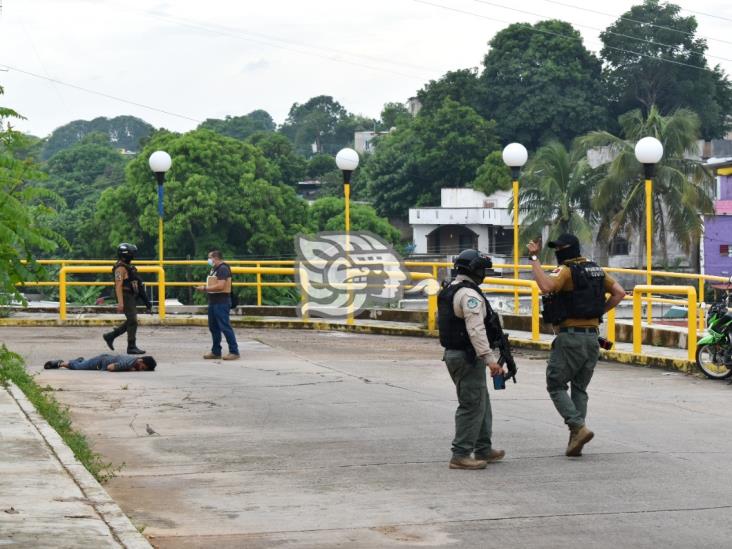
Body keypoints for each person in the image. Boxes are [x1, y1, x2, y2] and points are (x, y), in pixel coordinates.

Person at [527, 233, 625, 457]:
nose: (558, 252)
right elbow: (619, 293)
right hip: (592, 338)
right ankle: (575, 439)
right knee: (579, 388)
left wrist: (534, 259)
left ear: (568, 249)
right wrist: (599, 311)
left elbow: (546, 286)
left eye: (560, 248)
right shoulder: (596, 270)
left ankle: (577, 427)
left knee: (555, 384)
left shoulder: (567, 270)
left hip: (570, 337)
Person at [437, 249, 506, 470]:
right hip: (467, 356)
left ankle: (483, 448)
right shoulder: (470, 295)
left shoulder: (451, 289)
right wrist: (490, 359)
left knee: (481, 401)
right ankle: (460, 454)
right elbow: (476, 330)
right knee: (472, 404)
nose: (484, 274)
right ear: (474, 270)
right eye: (482, 269)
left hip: (459, 354)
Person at [103, 243, 148, 354]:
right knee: (132, 320)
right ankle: (131, 346)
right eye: (131, 254)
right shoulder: (120, 268)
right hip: (125, 296)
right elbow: (118, 285)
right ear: (125, 255)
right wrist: (120, 303)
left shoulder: (127, 267)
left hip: (130, 296)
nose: (133, 256)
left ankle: (111, 336)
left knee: (132, 321)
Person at [195, 249, 240, 360]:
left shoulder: (223, 269)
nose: (209, 260)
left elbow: (221, 286)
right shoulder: (214, 269)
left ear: (216, 258)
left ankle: (234, 351)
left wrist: (205, 288)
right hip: (214, 302)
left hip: (221, 302)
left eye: (210, 258)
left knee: (225, 327)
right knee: (213, 327)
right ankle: (216, 351)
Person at [44, 354, 156, 372]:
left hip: (103, 359)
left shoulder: (133, 360)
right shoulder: (129, 363)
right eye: (143, 367)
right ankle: (60, 363)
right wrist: (128, 370)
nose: (141, 370)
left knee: (83, 364)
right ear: (141, 361)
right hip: (100, 362)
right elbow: (110, 367)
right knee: (78, 367)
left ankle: (80, 360)